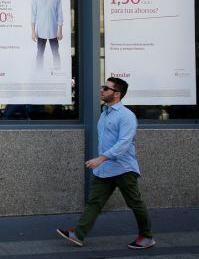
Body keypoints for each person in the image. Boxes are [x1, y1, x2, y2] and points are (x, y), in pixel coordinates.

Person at [57, 77, 155, 250]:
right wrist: (102, 162)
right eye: (103, 87)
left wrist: (100, 158)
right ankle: (78, 235)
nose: (101, 90)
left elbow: (124, 144)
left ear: (116, 94)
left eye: (106, 88)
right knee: (94, 202)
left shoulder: (126, 116)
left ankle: (146, 237)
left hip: (124, 168)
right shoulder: (105, 112)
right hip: (105, 169)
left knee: (134, 203)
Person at [31, 0, 63, 69]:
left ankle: (58, 71)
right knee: (39, 54)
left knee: (55, 53)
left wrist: (60, 30)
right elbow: (33, 15)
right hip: (41, 31)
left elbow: (59, 14)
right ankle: (38, 72)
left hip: (53, 31)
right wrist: (33, 32)